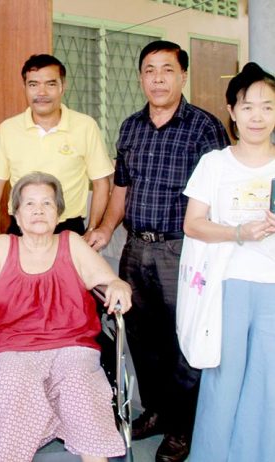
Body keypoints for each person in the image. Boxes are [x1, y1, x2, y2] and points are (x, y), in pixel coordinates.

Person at [91, 40, 230, 462]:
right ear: (140, 77)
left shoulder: (204, 127)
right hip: (136, 249)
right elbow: (121, 188)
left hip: (182, 251)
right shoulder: (131, 126)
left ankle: (182, 427)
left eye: (167, 70)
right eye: (149, 70)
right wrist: (105, 229)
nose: (158, 79)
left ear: (183, 75)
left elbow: (219, 195)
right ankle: (155, 411)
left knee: (182, 340)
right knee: (140, 337)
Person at [0, 172, 132, 462]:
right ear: (17, 215)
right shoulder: (2, 246)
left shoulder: (72, 243)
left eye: (47, 203)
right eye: (29, 204)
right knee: (18, 383)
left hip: (71, 345)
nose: (39, 210)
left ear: (58, 213)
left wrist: (117, 284)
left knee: (80, 384)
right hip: (9, 349)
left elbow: (108, 281)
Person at [185, 62, 275, 462]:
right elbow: (193, 224)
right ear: (232, 111)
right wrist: (239, 233)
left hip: (272, 284)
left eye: (268, 107)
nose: (258, 116)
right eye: (248, 106)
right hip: (226, 283)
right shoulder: (215, 163)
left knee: (268, 381)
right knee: (223, 377)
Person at [0, 54, 113, 239]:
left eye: (50, 84)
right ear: (25, 87)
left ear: (62, 86)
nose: (42, 92)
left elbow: (101, 183)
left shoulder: (85, 126)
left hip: (68, 230)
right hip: (21, 230)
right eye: (33, 84)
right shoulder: (8, 129)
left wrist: (92, 229)